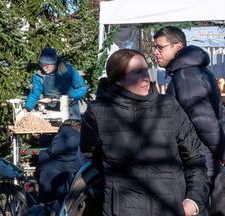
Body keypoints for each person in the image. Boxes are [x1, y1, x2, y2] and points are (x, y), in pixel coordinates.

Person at [80, 48, 209, 216]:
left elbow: (195, 157)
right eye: (136, 72)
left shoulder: (168, 106)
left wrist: (193, 201)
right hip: (122, 209)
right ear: (118, 79)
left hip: (171, 207)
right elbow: (91, 154)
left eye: (146, 70)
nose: (145, 78)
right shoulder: (98, 112)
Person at [153, 26, 225, 216]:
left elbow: (203, 119)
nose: (155, 52)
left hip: (202, 163)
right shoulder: (190, 72)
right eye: (155, 47)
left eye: (160, 47)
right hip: (207, 160)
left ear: (178, 47)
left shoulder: (187, 75)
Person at [24, 47, 88, 120]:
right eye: (42, 65)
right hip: (51, 112)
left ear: (54, 63)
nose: (44, 68)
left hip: (71, 110)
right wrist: (26, 108)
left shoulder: (67, 70)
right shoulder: (39, 75)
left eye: (47, 65)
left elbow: (82, 88)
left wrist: (69, 98)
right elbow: (34, 94)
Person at [35, 120, 84, 207]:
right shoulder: (82, 158)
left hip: (45, 208)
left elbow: (39, 179)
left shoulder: (43, 156)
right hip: (71, 208)